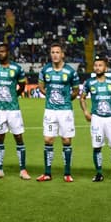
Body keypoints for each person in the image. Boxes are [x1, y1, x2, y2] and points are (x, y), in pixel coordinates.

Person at [0, 43, 32, 180]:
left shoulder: (16, 68)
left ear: (8, 53)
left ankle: (23, 170)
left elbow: (22, 85)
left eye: (3, 51)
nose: (0, 53)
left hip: (13, 109)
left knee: (18, 137)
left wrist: (15, 95)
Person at [79, 56, 111, 182]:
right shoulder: (89, 83)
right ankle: (99, 173)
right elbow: (82, 98)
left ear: (105, 67)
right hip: (97, 119)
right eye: (96, 65)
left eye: (100, 65)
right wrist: (85, 112)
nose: (97, 67)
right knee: (97, 146)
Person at [37, 43, 79, 182]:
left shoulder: (70, 71)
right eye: (52, 52)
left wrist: (67, 100)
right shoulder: (45, 70)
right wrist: (47, 94)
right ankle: (47, 173)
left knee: (66, 140)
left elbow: (76, 90)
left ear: (62, 55)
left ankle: (67, 173)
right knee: (48, 140)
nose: (55, 54)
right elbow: (41, 86)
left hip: (65, 111)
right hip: (50, 111)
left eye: (57, 52)